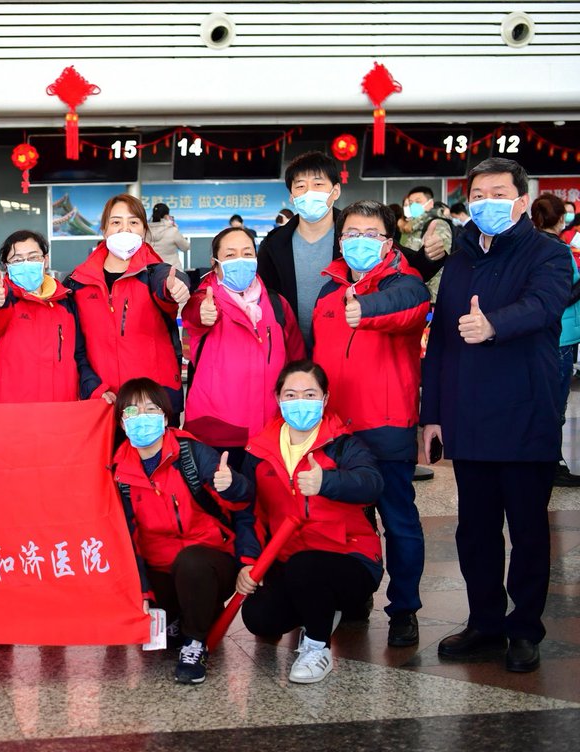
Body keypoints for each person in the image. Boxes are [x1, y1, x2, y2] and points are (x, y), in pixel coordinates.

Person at [422, 158, 573, 673]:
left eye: (499, 193)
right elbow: (440, 343)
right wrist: (432, 414)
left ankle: (524, 628)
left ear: (521, 201)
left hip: (526, 411)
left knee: (528, 530)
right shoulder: (460, 259)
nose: (487, 202)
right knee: (475, 530)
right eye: (479, 194)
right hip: (468, 415)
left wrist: (493, 325)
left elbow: (545, 305)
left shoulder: (549, 253)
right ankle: (485, 622)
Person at [311, 200, 432, 647]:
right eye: (351, 234)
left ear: (389, 241)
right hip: (337, 430)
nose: (359, 241)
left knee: (398, 520)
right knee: (349, 523)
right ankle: (356, 594)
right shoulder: (327, 290)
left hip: (386, 423)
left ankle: (404, 609)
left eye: (371, 234)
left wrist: (365, 307)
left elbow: (409, 305)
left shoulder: (405, 283)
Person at [236, 360, 384, 684]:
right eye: (291, 394)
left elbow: (372, 483)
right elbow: (250, 513)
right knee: (259, 618)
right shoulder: (259, 450)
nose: (300, 402)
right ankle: (322, 609)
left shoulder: (343, 444)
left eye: (310, 394)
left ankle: (317, 647)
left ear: (325, 398)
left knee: (306, 567)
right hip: (289, 559)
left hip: (349, 557)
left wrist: (327, 482)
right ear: (278, 398)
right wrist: (248, 562)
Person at [112, 377, 250, 685]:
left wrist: (232, 485)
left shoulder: (191, 453)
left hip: (209, 562)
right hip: (161, 568)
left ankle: (195, 643)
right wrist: (142, 592)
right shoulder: (119, 472)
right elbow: (127, 539)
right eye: (132, 411)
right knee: (138, 588)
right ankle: (180, 617)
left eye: (151, 409)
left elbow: (244, 502)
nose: (142, 417)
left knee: (191, 563)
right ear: (122, 423)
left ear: (165, 417)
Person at [182, 226, 304, 468]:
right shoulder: (205, 303)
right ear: (215, 264)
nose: (240, 260)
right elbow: (194, 313)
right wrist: (202, 312)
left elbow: (297, 363)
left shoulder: (277, 304)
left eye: (247, 253)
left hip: (272, 430)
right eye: (230, 255)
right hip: (217, 434)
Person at [63, 194, 190, 418]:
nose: (125, 229)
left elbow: (168, 280)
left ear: (144, 230)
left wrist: (176, 286)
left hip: (154, 403)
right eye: (116, 222)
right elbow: (76, 350)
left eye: (133, 222)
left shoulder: (153, 273)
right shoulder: (77, 283)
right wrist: (93, 388)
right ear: (104, 230)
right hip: (104, 402)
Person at [0, 230, 102, 403]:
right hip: (10, 410)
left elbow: (78, 355)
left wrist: (95, 389)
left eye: (33, 257)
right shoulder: (4, 300)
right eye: (17, 260)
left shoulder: (65, 302)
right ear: (6, 266)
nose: (26, 264)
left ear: (45, 260)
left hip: (60, 408)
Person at [257, 151, 344, 349]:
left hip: (343, 349)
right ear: (292, 196)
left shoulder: (356, 235)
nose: (309, 192)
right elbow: (263, 296)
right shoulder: (274, 244)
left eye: (318, 184)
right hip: (291, 350)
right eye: (300, 186)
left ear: (336, 191)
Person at [530, 193, 580, 487]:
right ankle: (551, 463)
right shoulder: (557, 249)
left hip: (545, 333)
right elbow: (561, 295)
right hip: (561, 335)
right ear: (561, 218)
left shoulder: (530, 246)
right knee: (555, 404)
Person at [147, 203, 191, 270]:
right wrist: (176, 229)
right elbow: (185, 247)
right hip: (172, 270)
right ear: (166, 216)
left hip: (152, 270)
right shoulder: (172, 230)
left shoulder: (145, 231)